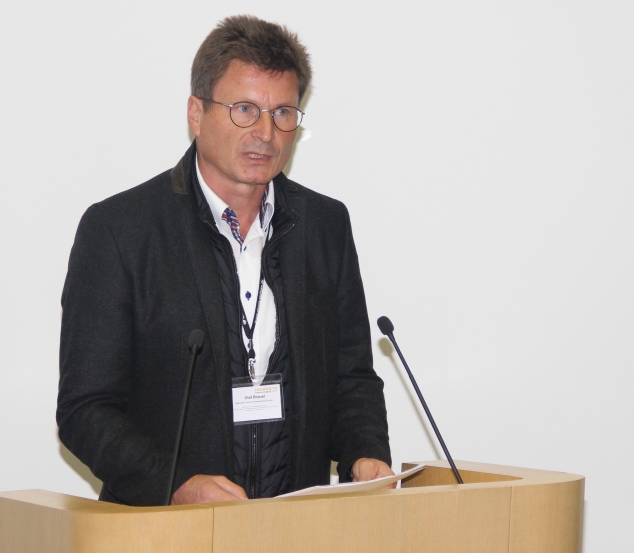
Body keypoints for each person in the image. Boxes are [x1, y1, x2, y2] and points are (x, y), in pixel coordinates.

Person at [57, 14, 392, 507]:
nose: (266, 133)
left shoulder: (324, 226)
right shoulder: (120, 231)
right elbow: (86, 409)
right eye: (244, 110)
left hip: (294, 528)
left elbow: (351, 379)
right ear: (196, 114)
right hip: (165, 530)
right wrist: (175, 484)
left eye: (283, 113)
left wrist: (365, 454)